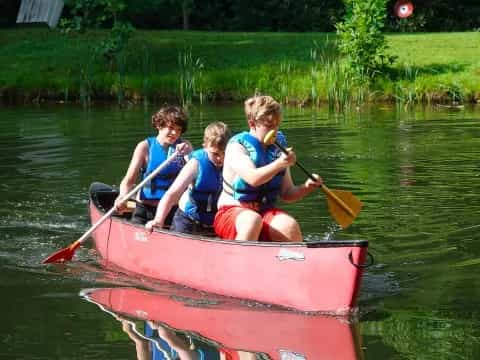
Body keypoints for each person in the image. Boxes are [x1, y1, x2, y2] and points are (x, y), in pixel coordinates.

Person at [214, 95, 323, 242]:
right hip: (231, 212)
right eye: (269, 125)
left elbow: (286, 193)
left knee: (289, 226)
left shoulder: (279, 146)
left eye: (277, 124)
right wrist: (280, 163)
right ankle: (238, 261)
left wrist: (306, 187)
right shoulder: (236, 147)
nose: (274, 130)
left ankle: (294, 263)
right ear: (252, 123)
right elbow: (253, 178)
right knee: (251, 221)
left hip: (264, 211)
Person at [146, 122, 231, 235]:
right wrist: (158, 220)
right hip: (187, 221)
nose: (220, 158)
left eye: (224, 153)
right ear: (205, 146)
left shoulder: (233, 161)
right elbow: (172, 194)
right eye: (215, 154)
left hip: (214, 222)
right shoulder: (196, 163)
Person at [114, 106, 192, 225]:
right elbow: (129, 181)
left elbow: (196, 172)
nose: (175, 133)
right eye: (170, 128)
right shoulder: (145, 147)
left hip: (174, 210)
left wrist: (188, 154)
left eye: (178, 129)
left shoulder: (184, 146)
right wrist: (122, 196)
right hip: (146, 208)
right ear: (159, 125)